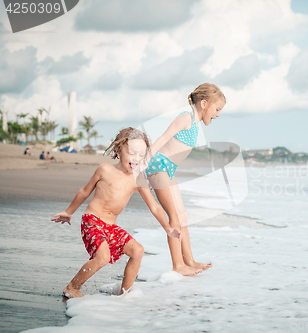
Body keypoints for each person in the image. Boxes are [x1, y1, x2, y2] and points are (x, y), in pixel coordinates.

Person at [51, 128, 181, 298]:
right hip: (92, 221)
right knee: (103, 257)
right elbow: (84, 191)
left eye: (140, 155)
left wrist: (168, 229)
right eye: (132, 153)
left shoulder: (138, 179)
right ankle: (72, 287)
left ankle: (124, 294)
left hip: (110, 227)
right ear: (119, 151)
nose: (136, 159)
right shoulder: (104, 170)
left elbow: (154, 207)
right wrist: (69, 212)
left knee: (138, 251)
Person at [137, 83, 225, 276]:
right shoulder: (186, 118)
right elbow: (162, 139)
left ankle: (189, 260)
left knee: (182, 215)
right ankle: (178, 266)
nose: (218, 114)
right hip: (158, 166)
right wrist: (144, 162)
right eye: (217, 109)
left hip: (169, 170)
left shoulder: (195, 122)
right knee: (174, 217)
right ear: (204, 103)